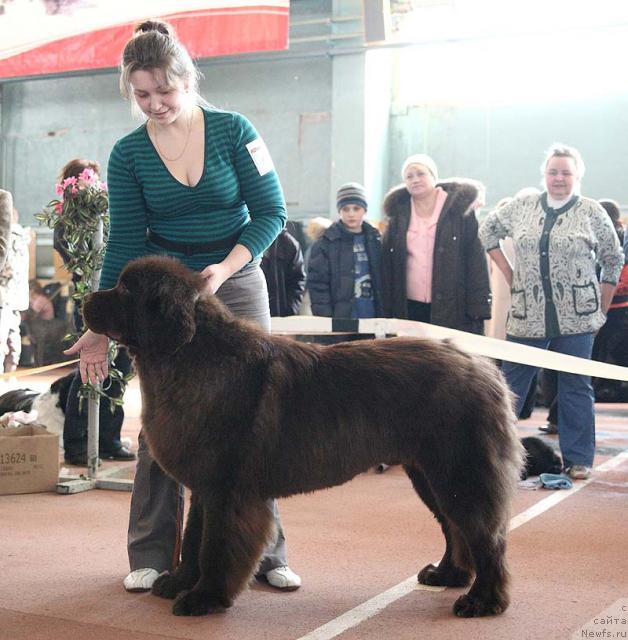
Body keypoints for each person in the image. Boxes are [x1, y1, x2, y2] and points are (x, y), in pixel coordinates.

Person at [64, 19, 301, 593]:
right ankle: (150, 552)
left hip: (236, 278)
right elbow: (124, 241)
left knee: (257, 419)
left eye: (164, 91)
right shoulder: (127, 153)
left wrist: (224, 267)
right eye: (141, 95)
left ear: (187, 79)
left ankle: (268, 552)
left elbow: (272, 212)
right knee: (163, 424)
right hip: (163, 298)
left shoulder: (234, 130)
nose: (155, 104)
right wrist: (99, 327)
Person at [479, 143, 624, 480]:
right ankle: (493, 457)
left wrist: (602, 305)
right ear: (544, 174)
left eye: (566, 173)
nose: (559, 178)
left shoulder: (590, 211)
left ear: (577, 176)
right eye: (553, 172)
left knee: (575, 386)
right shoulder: (522, 206)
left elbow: (613, 257)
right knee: (510, 387)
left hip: (578, 319)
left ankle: (578, 459)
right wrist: (510, 273)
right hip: (527, 316)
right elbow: (487, 231)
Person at [53, 158, 135, 466]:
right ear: (74, 184)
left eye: (97, 179)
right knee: (89, 372)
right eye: (87, 179)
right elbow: (78, 260)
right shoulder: (66, 223)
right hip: (88, 301)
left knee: (121, 369)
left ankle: (108, 440)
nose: (94, 184)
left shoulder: (108, 217)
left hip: (118, 301)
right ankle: (76, 445)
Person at [381, 154, 491, 333]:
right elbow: (387, 265)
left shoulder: (460, 210)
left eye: (421, 174)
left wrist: (479, 307)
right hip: (409, 306)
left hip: (453, 305)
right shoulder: (398, 215)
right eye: (409, 176)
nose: (415, 179)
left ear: (434, 176)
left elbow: (476, 260)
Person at [307, 182, 383, 318]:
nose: (351, 214)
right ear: (339, 211)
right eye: (346, 209)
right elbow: (317, 285)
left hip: (373, 316)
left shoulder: (377, 241)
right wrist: (326, 319)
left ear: (365, 210)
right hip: (340, 318)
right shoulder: (325, 243)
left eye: (356, 208)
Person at [0, 206, 30, 373]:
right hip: (17, 295)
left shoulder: (9, 237)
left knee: (1, 337)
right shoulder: (23, 238)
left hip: (4, 293)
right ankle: (11, 375)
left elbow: (6, 267)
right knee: (13, 333)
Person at [261, 228, 306, 316]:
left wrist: (291, 309)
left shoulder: (289, 243)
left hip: (280, 314)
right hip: (249, 314)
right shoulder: (241, 240)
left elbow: (298, 280)